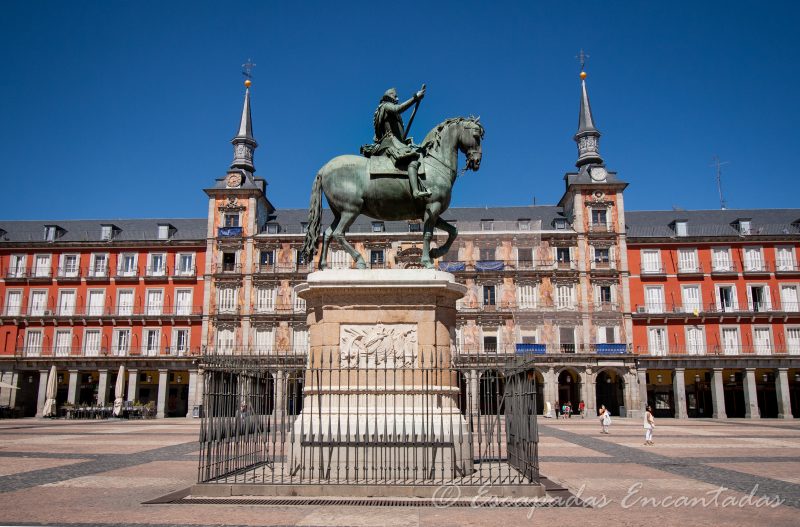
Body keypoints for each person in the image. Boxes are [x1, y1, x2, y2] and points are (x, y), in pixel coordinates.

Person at [362, 86, 431, 200]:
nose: (397, 98)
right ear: (389, 97)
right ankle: (415, 191)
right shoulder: (386, 106)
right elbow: (398, 109)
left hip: (395, 141)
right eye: (395, 96)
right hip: (390, 142)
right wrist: (415, 98)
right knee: (413, 158)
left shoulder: (387, 109)